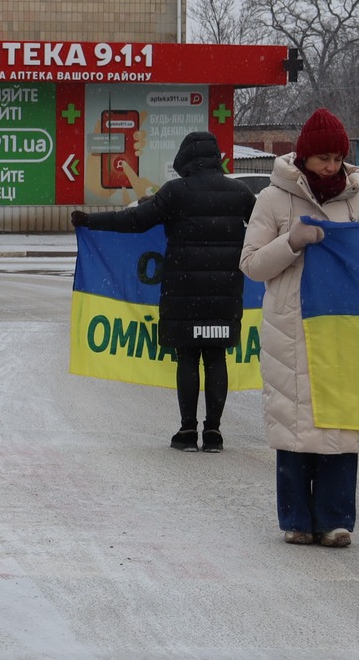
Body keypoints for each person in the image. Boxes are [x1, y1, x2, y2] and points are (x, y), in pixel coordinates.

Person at [72, 129, 257, 452]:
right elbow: (267, 226)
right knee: (216, 357)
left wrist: (91, 221)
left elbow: (134, 221)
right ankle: (213, 433)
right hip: (225, 293)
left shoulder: (175, 192)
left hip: (183, 293)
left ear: (185, 158)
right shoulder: (240, 193)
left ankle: (187, 431)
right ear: (216, 158)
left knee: (188, 357)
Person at [241, 108, 359, 548]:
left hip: (341, 323)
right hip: (289, 328)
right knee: (294, 423)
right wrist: (292, 241)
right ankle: (296, 518)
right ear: (304, 158)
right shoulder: (272, 198)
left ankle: (335, 520)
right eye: (323, 159)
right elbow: (252, 265)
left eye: (337, 158)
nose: (332, 167)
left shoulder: (352, 197)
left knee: (340, 423)